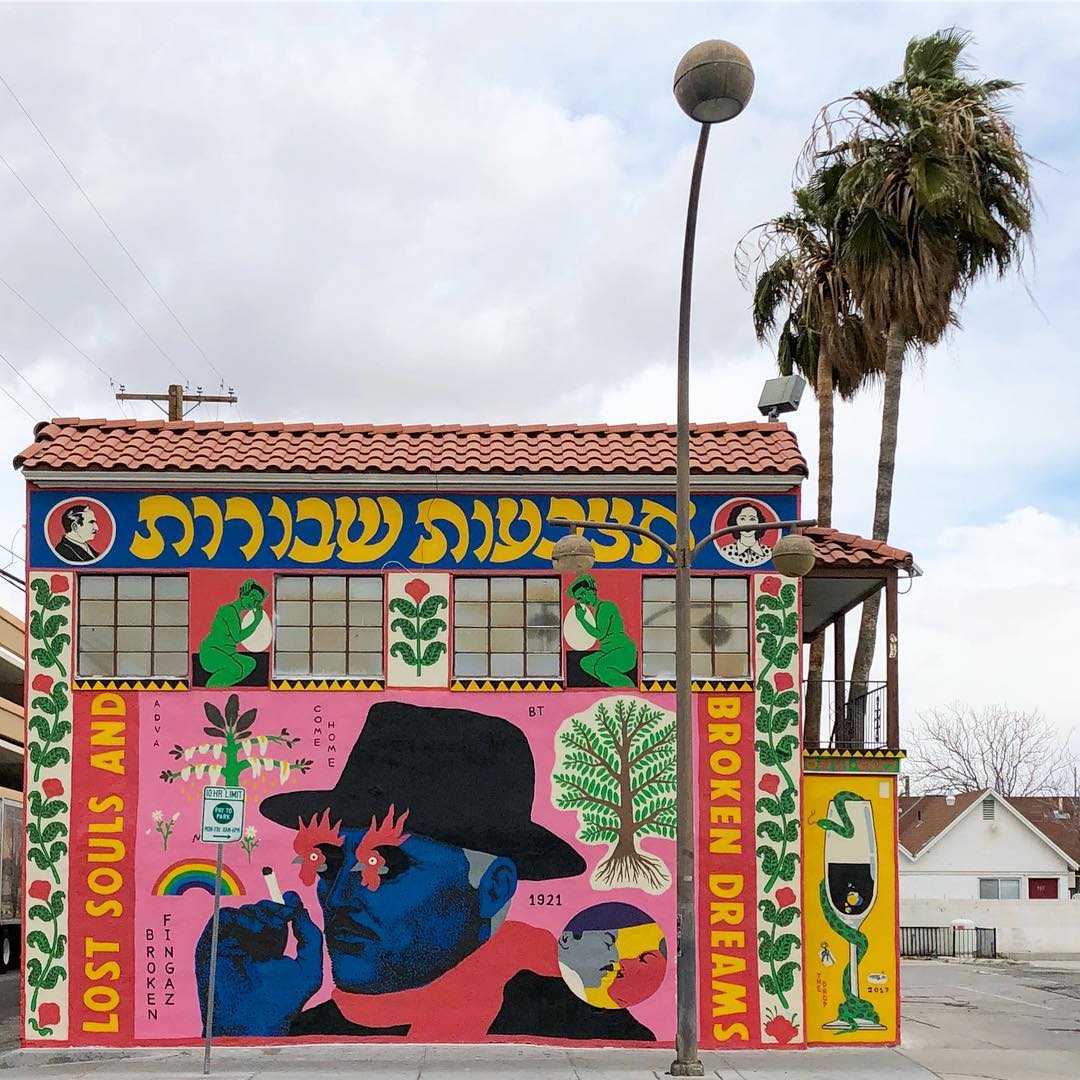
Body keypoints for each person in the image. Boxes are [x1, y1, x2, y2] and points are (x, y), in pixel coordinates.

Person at [195, 702, 656, 1042]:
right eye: (332, 863)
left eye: (387, 865)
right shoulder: (302, 1025)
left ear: (493, 888)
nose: (340, 897)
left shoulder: (577, 1027)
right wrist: (243, 1031)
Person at [567, 574, 637, 688]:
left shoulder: (605, 606)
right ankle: (613, 683)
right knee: (586, 663)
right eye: (580, 598)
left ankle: (628, 689)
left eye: (584, 594)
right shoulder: (597, 609)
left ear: (593, 590)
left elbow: (600, 634)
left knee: (601, 667)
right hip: (607, 650)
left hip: (623, 650)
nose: (583, 599)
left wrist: (582, 619)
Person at [197, 580, 268, 687]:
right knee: (237, 670)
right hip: (212, 652)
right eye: (252, 596)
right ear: (244, 593)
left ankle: (221, 683)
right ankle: (211, 688)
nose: (253, 602)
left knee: (250, 663)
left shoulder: (237, 612)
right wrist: (256, 621)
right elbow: (237, 637)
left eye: (257, 601)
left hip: (228, 653)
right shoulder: (229, 610)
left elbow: (266, 593)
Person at [718, 503, 773, 567]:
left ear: (760, 522)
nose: (747, 523)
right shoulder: (726, 551)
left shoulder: (770, 552)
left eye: (752, 519)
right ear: (735, 522)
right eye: (742, 519)